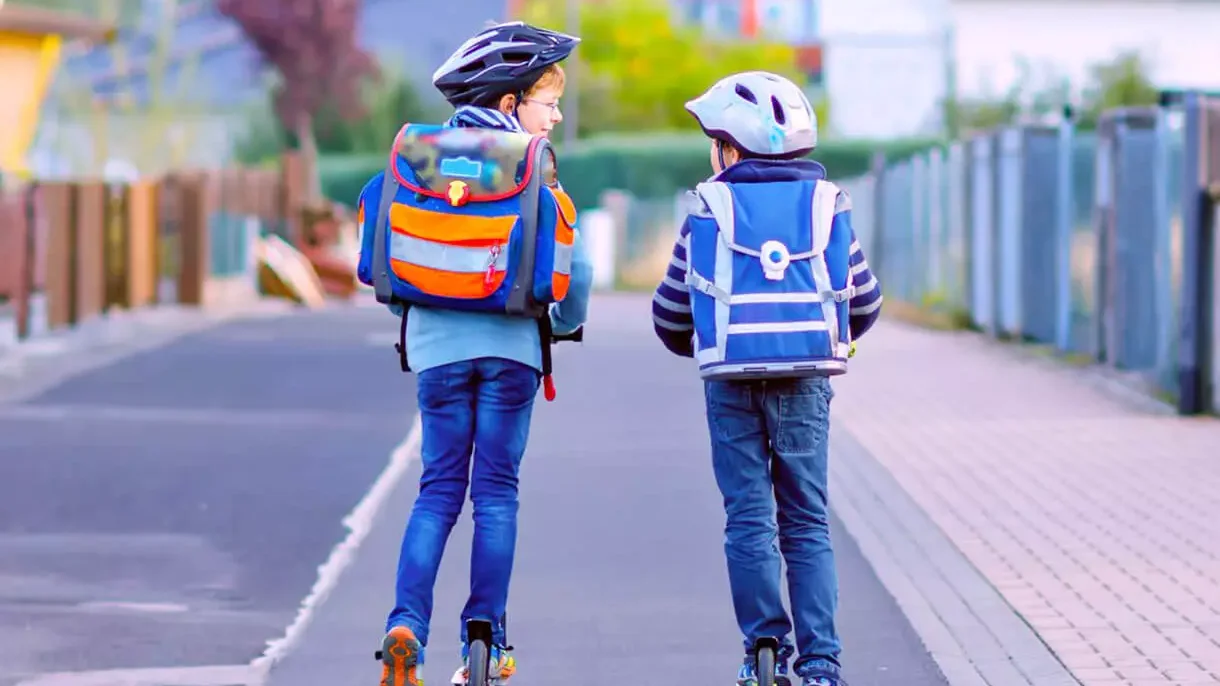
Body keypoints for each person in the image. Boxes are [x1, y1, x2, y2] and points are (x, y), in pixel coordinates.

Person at [364, 20, 592, 686]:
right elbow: (574, 275)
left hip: (436, 351)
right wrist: (563, 324)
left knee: (437, 490)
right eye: (548, 102)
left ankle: (406, 626)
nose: (554, 117)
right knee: (495, 493)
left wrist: (423, 311)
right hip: (511, 353)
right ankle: (484, 640)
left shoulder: (418, 161)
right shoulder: (530, 168)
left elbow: (384, 256)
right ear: (508, 103)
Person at [650, 71, 883, 686]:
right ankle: (822, 664)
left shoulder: (708, 207)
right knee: (806, 519)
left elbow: (669, 314)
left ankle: (764, 650)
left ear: (730, 149)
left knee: (749, 519)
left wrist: (699, 341)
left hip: (730, 382)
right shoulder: (827, 205)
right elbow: (863, 300)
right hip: (805, 380)